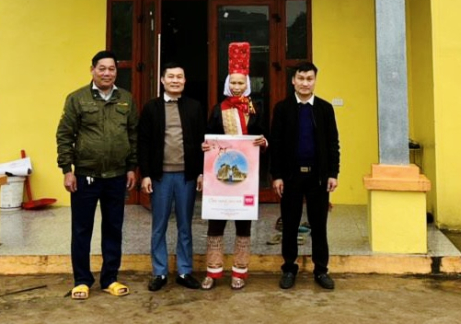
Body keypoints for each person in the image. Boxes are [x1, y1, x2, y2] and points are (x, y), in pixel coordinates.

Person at [55, 49, 138, 300]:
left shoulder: (126, 99)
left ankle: (110, 278)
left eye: (111, 69)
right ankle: (81, 280)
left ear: (116, 72)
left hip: (116, 176)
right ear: (92, 70)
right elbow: (65, 135)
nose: (106, 73)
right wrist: (67, 170)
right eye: (102, 68)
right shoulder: (77, 99)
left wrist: (132, 167)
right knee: (82, 229)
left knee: (113, 228)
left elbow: (133, 135)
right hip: (85, 176)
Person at [200, 42, 269, 290]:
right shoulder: (218, 109)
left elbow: (264, 135)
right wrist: (206, 147)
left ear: (247, 84)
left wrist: (263, 141)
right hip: (219, 178)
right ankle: (213, 271)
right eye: (233, 83)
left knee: (243, 227)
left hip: (245, 178)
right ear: (227, 85)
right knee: (215, 226)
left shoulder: (255, 110)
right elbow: (209, 136)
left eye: (241, 83)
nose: (237, 86)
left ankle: (240, 272)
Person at [271, 61, 340, 290]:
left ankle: (321, 270)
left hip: (318, 178)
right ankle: (289, 268)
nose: (304, 83)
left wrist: (333, 173)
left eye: (309, 79)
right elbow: (276, 145)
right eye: (300, 78)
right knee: (290, 224)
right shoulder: (282, 109)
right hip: (290, 177)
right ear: (293, 81)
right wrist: (277, 175)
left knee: (319, 225)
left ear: (315, 81)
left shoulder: (324, 109)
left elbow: (333, 144)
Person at [138, 63, 205, 292]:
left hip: (186, 176)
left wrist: (200, 172)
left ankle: (185, 271)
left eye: (179, 77)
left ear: (185, 81)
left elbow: (202, 142)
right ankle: (159, 272)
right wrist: (146, 174)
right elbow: (143, 143)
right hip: (160, 176)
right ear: (162, 80)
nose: (175, 80)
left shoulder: (194, 107)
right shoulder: (151, 108)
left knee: (185, 225)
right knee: (159, 225)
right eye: (171, 77)